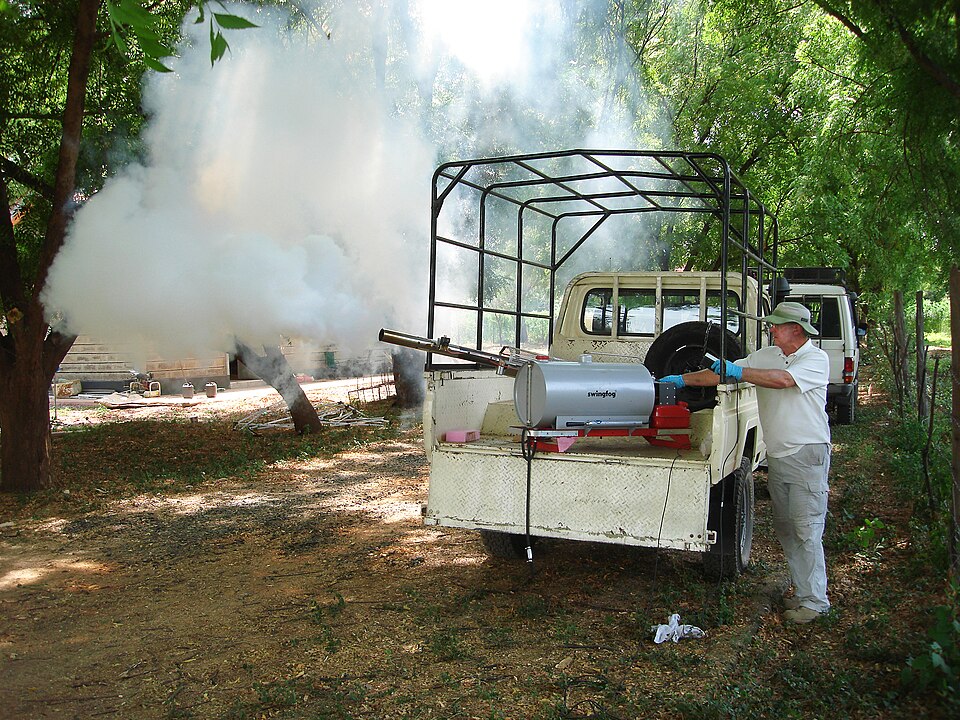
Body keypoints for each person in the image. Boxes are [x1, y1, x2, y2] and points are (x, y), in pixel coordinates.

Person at [660, 301, 831, 624]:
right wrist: (681, 380)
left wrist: (739, 372)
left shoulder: (815, 359)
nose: (771, 329)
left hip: (807, 454)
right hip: (780, 455)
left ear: (796, 329)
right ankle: (803, 589)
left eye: (777, 326)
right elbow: (718, 373)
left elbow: (782, 380)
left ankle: (815, 601)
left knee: (806, 529)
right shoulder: (767, 356)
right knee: (787, 528)